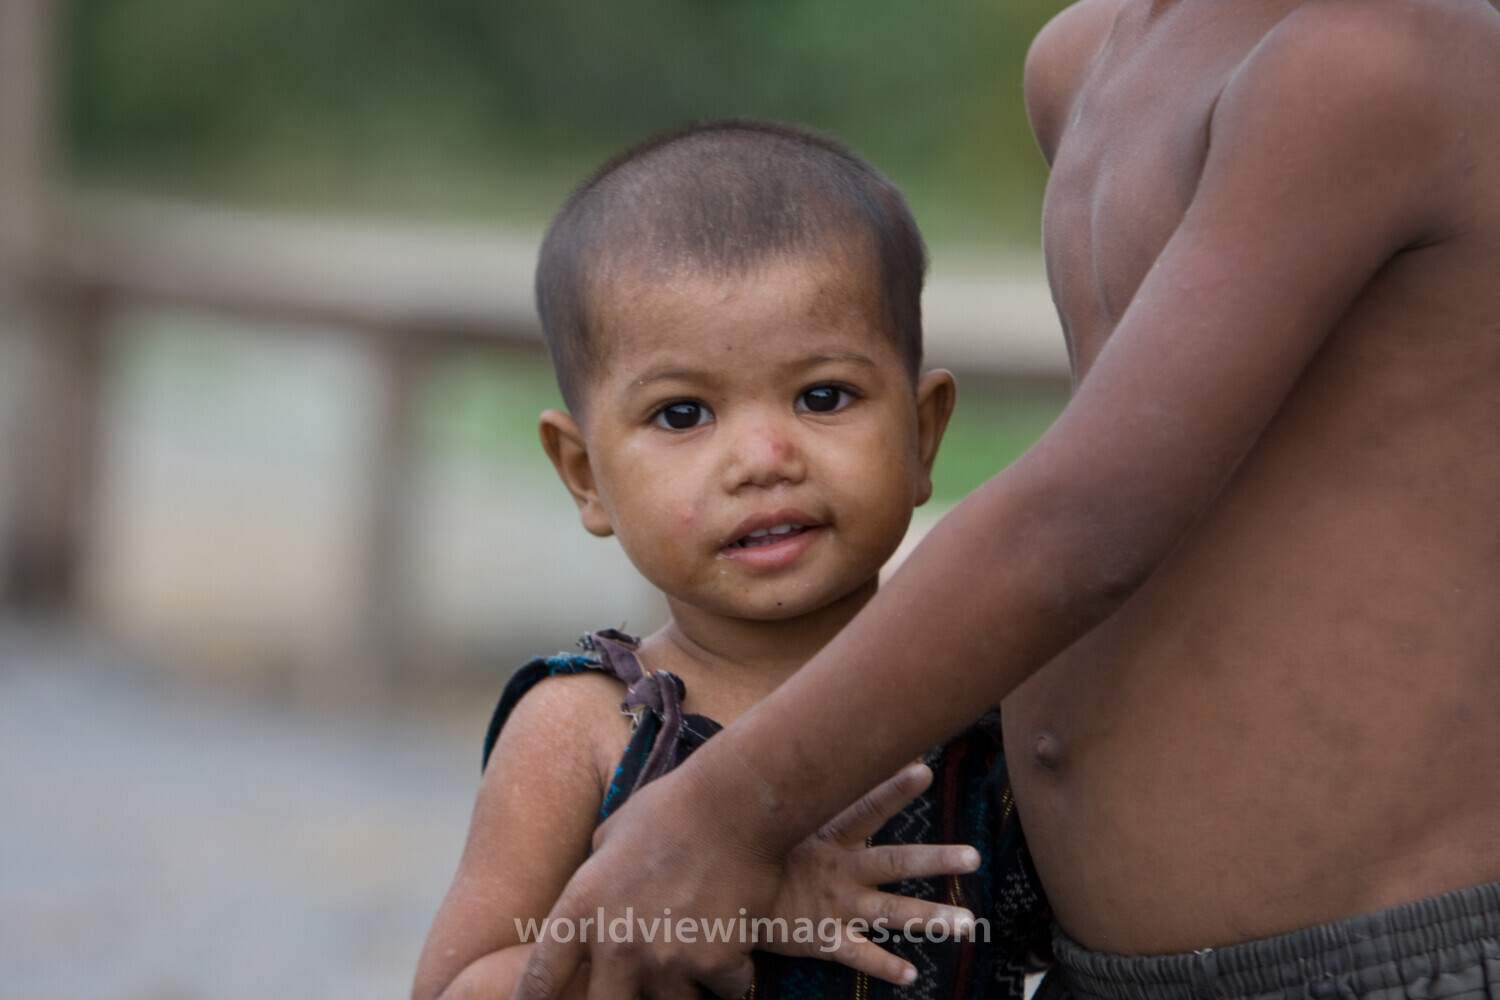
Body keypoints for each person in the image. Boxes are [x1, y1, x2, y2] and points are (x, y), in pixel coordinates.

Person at [512, 1, 1500, 998]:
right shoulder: (1089, 59)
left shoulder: (1370, 51)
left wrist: (724, 810)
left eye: (822, 399)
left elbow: (1085, 519)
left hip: (1379, 956)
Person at [411, 118, 1054, 1000]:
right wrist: (729, 912)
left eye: (823, 396)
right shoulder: (585, 730)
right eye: (682, 414)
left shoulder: (986, 702)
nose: (763, 458)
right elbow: (459, 988)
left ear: (923, 433)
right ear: (584, 475)